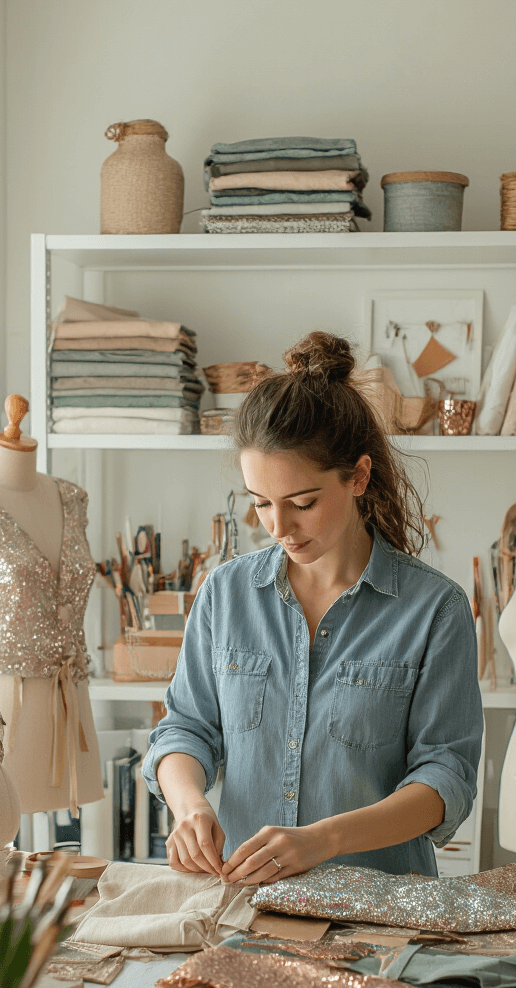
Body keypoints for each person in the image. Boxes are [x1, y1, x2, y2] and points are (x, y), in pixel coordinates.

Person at [142, 331, 482, 886]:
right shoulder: (223, 595)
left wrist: (324, 840)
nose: (279, 528)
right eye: (261, 505)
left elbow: (447, 778)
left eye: (302, 503)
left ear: (359, 477)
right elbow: (184, 729)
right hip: (246, 908)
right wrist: (190, 807)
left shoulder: (436, 611)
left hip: (380, 912)